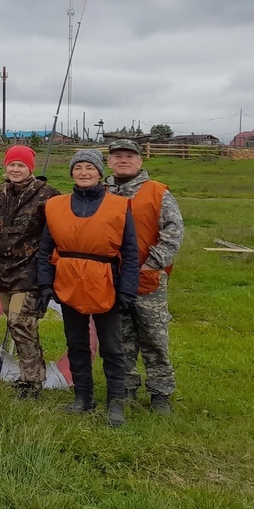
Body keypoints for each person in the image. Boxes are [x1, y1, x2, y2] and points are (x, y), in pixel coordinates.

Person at [36, 149, 140, 428]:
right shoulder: (55, 206)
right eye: (78, 167)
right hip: (68, 282)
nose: (84, 172)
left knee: (112, 346)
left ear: (99, 172)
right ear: (71, 172)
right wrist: (45, 285)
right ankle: (83, 397)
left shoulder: (118, 206)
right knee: (76, 343)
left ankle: (116, 402)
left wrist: (128, 290)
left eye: (89, 168)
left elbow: (131, 252)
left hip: (105, 283)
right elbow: (46, 248)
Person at [0, 144, 59, 398]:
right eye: (12, 164)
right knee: (20, 325)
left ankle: (31, 382)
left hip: (30, 274)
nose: (16, 169)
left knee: (20, 323)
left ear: (30, 167)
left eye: (21, 165)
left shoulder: (48, 195)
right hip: (2, 273)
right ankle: (30, 373)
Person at [105, 138, 184, 414]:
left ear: (140, 161)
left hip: (147, 279)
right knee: (119, 338)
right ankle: (124, 388)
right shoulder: (100, 191)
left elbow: (174, 232)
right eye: (117, 156)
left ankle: (160, 394)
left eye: (129, 156)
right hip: (111, 280)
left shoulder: (157, 192)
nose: (123, 160)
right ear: (109, 162)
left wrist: (153, 264)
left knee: (154, 338)